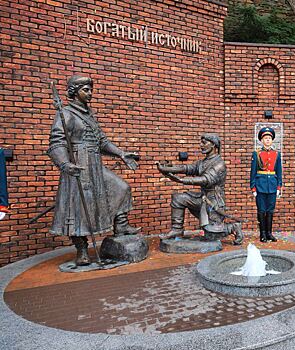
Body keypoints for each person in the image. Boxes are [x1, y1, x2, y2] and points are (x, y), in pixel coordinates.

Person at [48, 75, 140, 266]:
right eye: (85, 90)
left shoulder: (90, 114)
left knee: (121, 188)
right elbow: (57, 142)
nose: (90, 93)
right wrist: (65, 164)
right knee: (80, 208)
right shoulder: (66, 114)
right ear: (74, 92)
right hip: (78, 163)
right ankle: (81, 250)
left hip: (95, 164)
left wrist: (122, 154)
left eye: (91, 89)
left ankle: (121, 227)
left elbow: (102, 142)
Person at [156, 133, 243, 245]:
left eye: (204, 142)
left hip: (213, 203)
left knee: (211, 233)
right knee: (178, 198)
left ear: (213, 145)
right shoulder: (203, 162)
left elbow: (205, 180)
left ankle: (233, 227)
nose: (201, 145)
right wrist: (169, 168)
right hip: (202, 198)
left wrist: (181, 180)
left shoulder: (219, 164)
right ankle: (177, 230)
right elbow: (188, 168)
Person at [250, 127, 282, 243]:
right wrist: (253, 187)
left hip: (272, 186)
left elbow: (279, 171)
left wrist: (279, 186)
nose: (267, 140)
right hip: (260, 185)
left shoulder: (276, 154)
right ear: (261, 140)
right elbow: (253, 172)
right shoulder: (257, 153)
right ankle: (262, 233)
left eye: (269, 138)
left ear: (272, 140)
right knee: (261, 210)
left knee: (270, 210)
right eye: (265, 138)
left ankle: (269, 233)